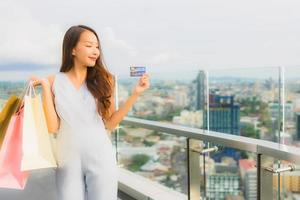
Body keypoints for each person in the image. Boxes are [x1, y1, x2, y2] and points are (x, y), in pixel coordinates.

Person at [29, 25, 150, 200]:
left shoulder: (105, 79)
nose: (95, 51)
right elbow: (52, 127)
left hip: (101, 155)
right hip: (66, 160)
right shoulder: (52, 81)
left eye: (97, 46)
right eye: (88, 45)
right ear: (72, 49)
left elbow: (110, 123)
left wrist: (135, 93)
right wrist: (46, 89)